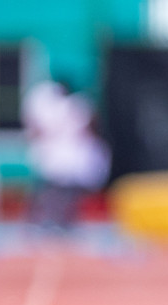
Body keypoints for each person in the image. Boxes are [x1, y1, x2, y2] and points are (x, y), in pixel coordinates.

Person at [22, 77, 111, 229]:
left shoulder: (65, 106)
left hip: (66, 156)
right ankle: (49, 221)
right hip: (62, 156)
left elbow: (35, 131)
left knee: (60, 191)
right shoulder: (70, 107)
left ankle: (55, 221)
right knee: (56, 191)